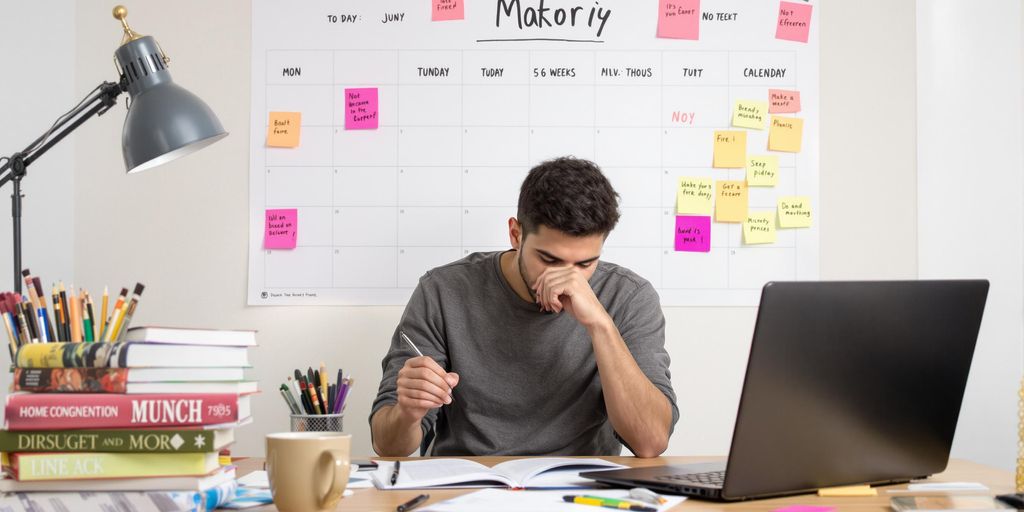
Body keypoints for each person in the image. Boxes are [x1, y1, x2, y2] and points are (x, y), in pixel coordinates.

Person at [370, 157, 678, 457]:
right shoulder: (442, 291)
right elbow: (387, 445)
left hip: (581, 491)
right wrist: (408, 413)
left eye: (585, 263)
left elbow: (650, 442)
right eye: (549, 260)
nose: (566, 278)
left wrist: (600, 325)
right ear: (516, 235)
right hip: (468, 488)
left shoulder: (629, 296)